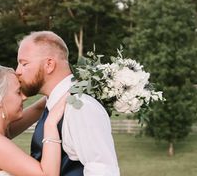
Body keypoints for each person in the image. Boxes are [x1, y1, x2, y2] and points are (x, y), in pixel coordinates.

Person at [16, 31, 120, 176]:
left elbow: (101, 170)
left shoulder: (80, 106)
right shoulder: (53, 103)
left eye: (24, 64)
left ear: (49, 65)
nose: (18, 71)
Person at [0, 61, 68, 176]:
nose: (24, 97)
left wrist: (67, 87)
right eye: (18, 92)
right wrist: (50, 123)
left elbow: (38, 109)